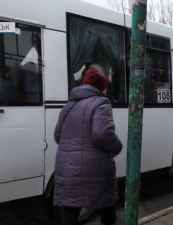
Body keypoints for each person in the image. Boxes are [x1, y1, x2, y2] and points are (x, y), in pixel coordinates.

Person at [53, 68, 123, 225]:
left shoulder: (69, 105)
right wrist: (117, 147)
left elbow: (58, 136)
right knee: (107, 210)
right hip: (95, 169)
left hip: (67, 168)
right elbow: (102, 134)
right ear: (101, 87)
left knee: (70, 213)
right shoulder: (101, 102)